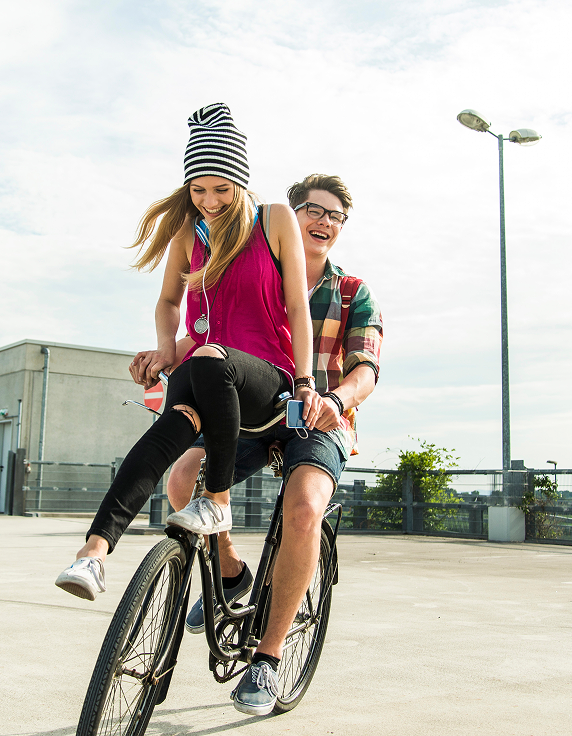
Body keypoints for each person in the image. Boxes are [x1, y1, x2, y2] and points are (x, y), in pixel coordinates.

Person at [54, 103, 324, 601]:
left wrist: (305, 381)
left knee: (209, 359)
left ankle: (216, 499)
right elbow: (168, 300)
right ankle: (93, 554)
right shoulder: (190, 233)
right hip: (207, 370)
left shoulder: (275, 220)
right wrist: (163, 349)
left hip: (266, 380)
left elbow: (297, 307)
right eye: (198, 190)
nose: (210, 201)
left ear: (241, 183)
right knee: (165, 433)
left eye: (221, 189)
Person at [165, 174, 383, 715]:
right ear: (288, 217)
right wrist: (162, 352)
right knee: (181, 477)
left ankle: (269, 656)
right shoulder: (248, 261)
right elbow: (204, 330)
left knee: (304, 507)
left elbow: (367, 368)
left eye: (335, 216)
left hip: (317, 418)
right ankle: (232, 567)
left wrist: (337, 397)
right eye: (313, 209)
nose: (323, 222)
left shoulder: (351, 291)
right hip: (259, 410)